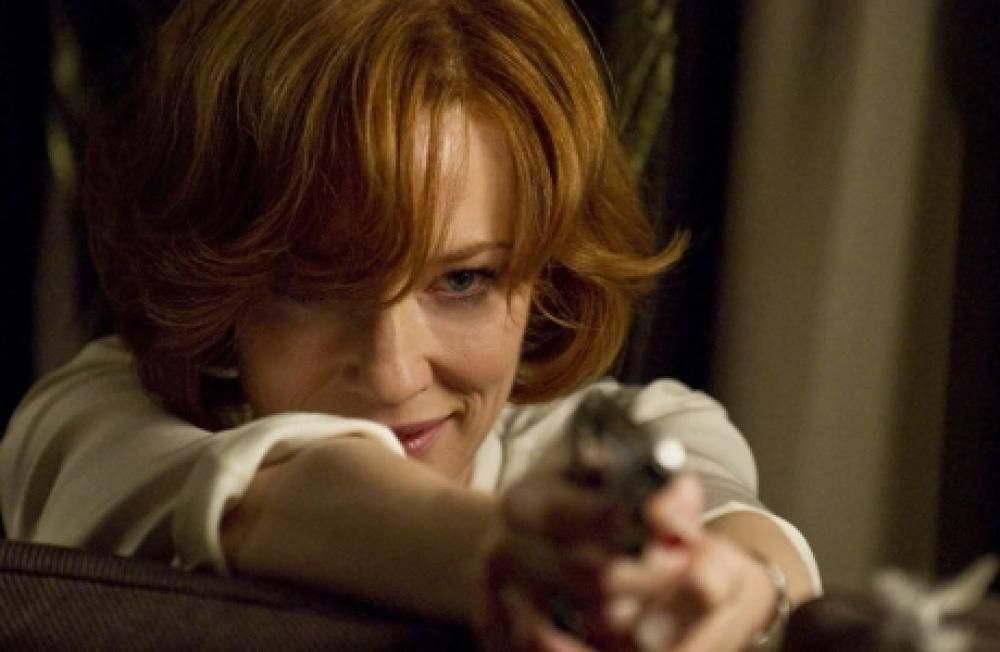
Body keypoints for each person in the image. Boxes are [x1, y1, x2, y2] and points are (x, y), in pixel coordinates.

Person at [0, 0, 821, 649]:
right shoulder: (86, 421)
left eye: (462, 280)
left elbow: (741, 532)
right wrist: (502, 554)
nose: (393, 374)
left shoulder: (645, 426)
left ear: (546, 272)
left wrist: (747, 585)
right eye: (313, 288)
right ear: (217, 281)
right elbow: (270, 495)